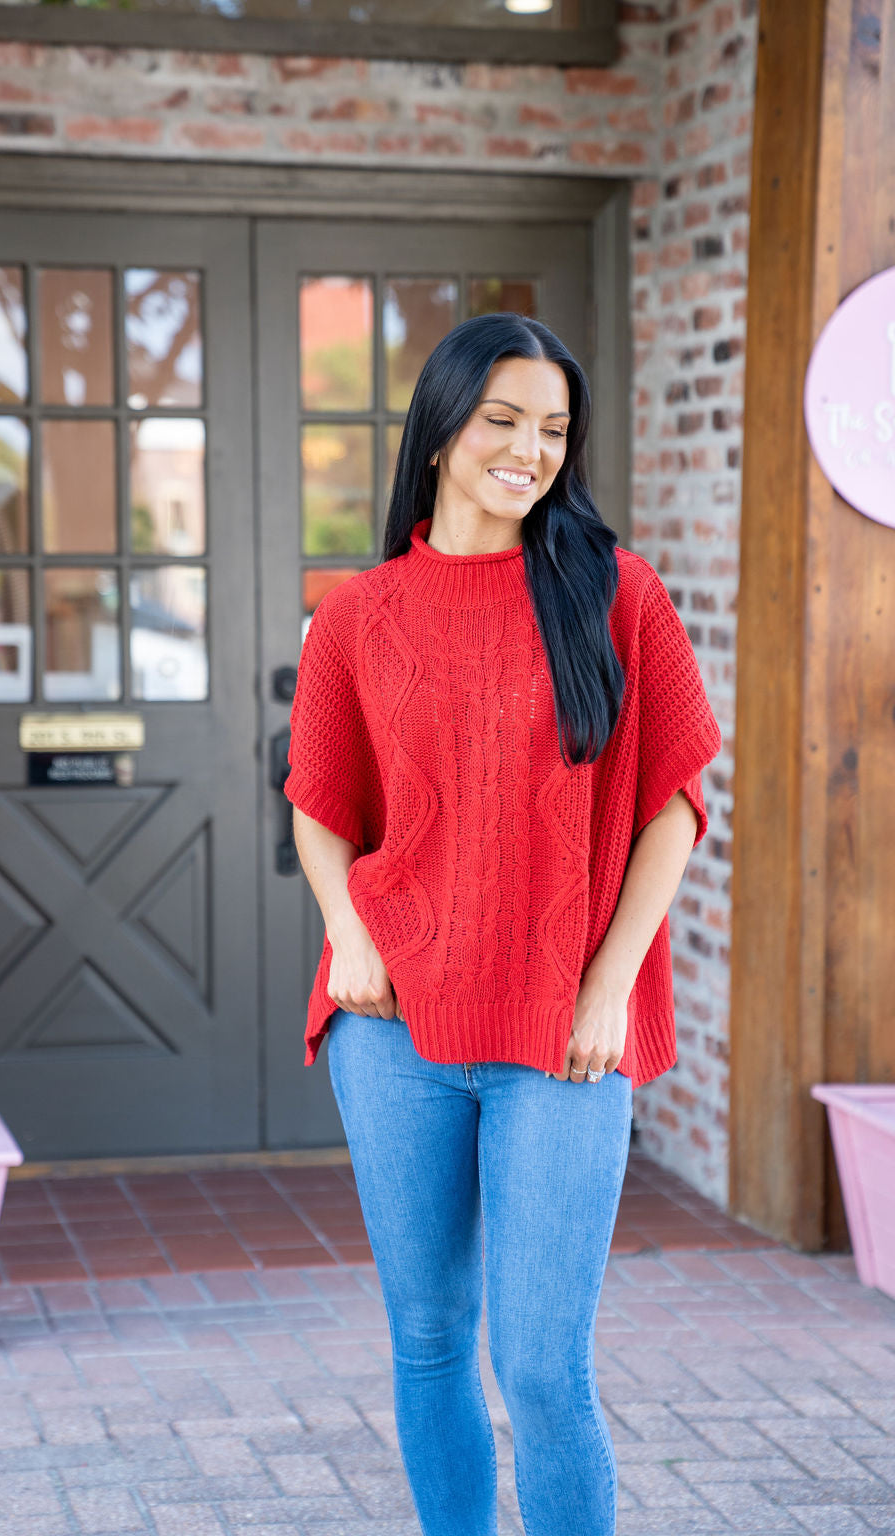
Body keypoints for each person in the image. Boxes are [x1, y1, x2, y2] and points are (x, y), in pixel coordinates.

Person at [284, 312, 722, 1536]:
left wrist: (607, 991)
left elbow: (675, 806)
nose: (529, 451)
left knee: (540, 1368)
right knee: (428, 1340)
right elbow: (320, 804)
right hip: (392, 1028)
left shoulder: (614, 591)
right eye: (502, 422)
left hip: (562, 1039)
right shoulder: (361, 613)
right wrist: (348, 933)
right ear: (438, 431)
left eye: (552, 431)